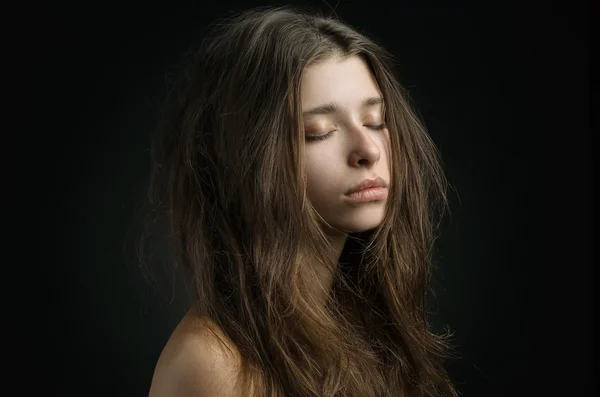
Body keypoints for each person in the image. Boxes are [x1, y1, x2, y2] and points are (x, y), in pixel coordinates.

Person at [142, 5, 457, 397]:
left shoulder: (364, 328)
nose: (368, 149)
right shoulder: (213, 364)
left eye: (376, 121)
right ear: (245, 159)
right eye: (318, 132)